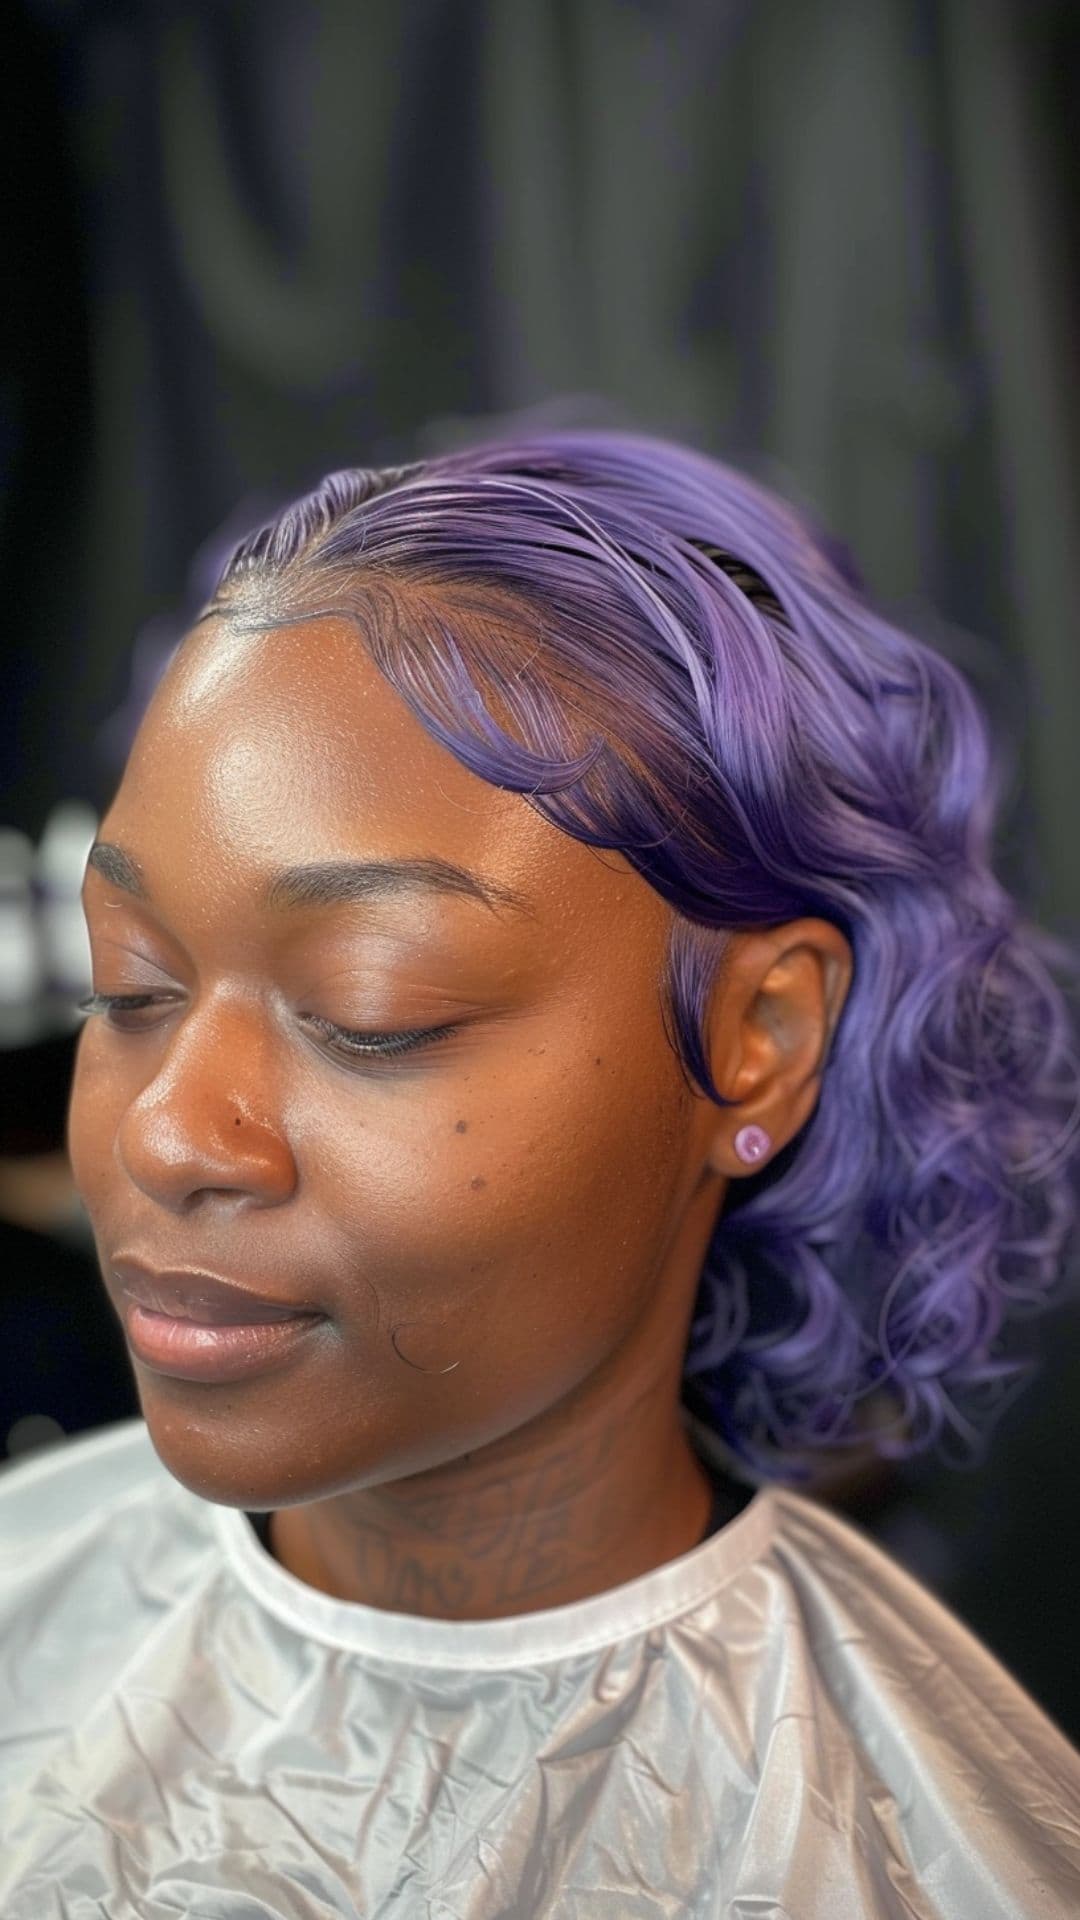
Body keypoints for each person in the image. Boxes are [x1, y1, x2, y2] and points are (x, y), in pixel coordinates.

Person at [2, 429, 1078, 1917]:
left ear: (755, 1041)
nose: (168, 1132)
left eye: (375, 1012)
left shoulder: (925, 1869)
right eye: (130, 989)